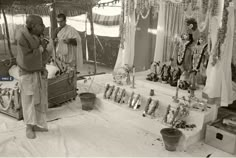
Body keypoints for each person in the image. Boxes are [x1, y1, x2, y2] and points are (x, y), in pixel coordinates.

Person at [16, 15, 52, 139]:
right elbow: (26, 59)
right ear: (32, 26)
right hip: (26, 73)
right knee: (28, 101)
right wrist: (41, 48)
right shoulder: (22, 37)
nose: (43, 27)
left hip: (36, 72)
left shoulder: (38, 36)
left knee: (38, 99)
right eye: (40, 24)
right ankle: (28, 127)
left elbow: (43, 55)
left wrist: (45, 49)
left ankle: (35, 124)